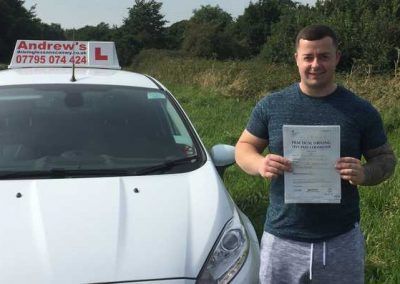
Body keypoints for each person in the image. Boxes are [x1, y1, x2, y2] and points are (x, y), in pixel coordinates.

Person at [235, 24, 397, 284]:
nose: (315, 64)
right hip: (282, 238)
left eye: (323, 56)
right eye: (308, 57)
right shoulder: (271, 105)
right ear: (296, 59)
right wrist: (260, 163)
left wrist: (365, 172)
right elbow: (243, 148)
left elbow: (387, 159)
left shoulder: (360, 110)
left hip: (340, 239)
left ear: (337, 58)